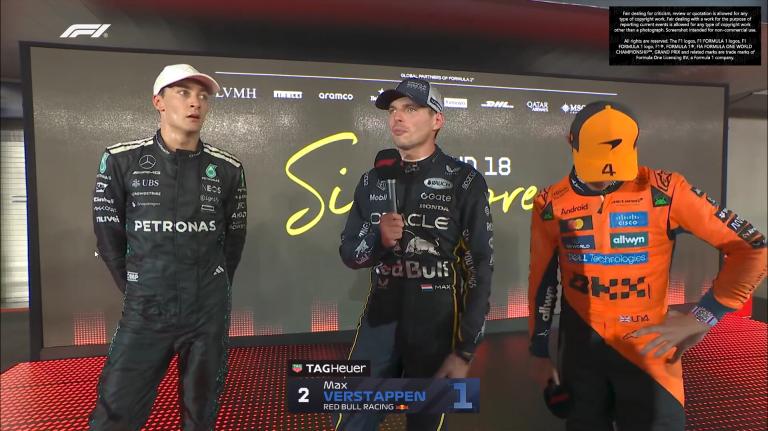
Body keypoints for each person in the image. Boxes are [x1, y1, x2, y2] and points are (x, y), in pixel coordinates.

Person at [527, 100, 767, 430]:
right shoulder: (549, 202)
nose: (607, 177)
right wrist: (539, 350)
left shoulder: (666, 190)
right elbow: (542, 282)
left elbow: (753, 248)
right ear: (571, 142)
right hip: (581, 356)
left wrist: (703, 317)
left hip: (650, 355)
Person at [89, 64, 248, 430]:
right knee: (115, 411)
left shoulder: (228, 168)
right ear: (158, 102)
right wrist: (139, 286)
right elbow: (108, 235)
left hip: (207, 311)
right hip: (147, 308)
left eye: (203, 96)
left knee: (201, 413)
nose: (195, 103)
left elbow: (234, 240)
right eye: (183, 93)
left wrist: (213, 286)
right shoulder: (121, 159)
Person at [336, 78, 494, 430]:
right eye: (393, 110)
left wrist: (465, 349)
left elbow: (481, 267)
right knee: (351, 420)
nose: (397, 117)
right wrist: (379, 240)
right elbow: (350, 254)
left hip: (435, 327)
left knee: (425, 423)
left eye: (410, 108)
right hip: (379, 323)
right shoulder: (372, 180)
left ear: (437, 119)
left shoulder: (464, 180)